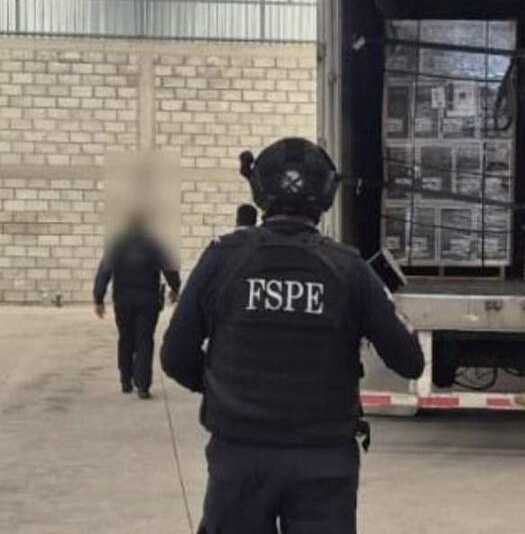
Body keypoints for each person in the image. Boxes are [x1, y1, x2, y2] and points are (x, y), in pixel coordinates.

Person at [161, 137, 424, 534]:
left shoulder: (223, 258)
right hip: (324, 462)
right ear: (328, 194)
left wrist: (224, 387)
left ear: (257, 188)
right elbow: (409, 360)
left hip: (240, 457)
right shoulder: (349, 269)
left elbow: (176, 356)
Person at [93, 213, 181, 399]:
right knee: (144, 341)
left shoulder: (117, 245)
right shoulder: (154, 245)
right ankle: (143, 386)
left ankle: (126, 382)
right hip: (148, 301)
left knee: (125, 339)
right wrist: (175, 288)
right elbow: (170, 270)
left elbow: (104, 271)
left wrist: (98, 298)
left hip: (123, 300)